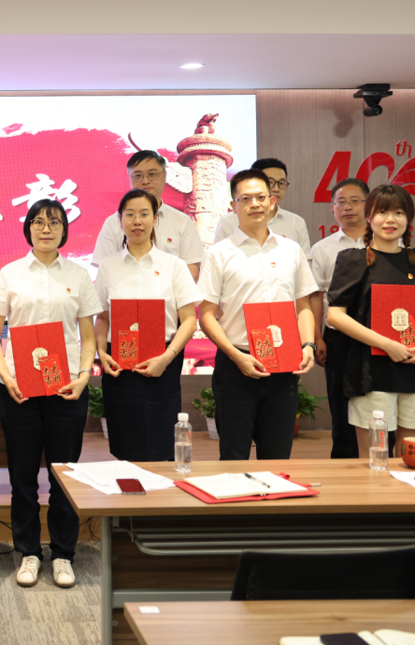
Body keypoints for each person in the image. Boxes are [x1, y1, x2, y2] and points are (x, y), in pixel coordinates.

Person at [0, 198, 100, 590]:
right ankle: (29, 553)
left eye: (53, 222)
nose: (45, 228)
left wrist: (84, 376)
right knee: (22, 477)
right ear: (28, 228)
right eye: (37, 221)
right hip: (19, 390)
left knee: (63, 475)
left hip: (66, 388)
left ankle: (64, 554)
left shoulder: (79, 275)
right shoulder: (10, 274)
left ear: (64, 229)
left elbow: (88, 336)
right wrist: (7, 376)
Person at [326, 184, 415, 458]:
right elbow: (335, 315)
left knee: (413, 456)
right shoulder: (353, 259)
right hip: (372, 370)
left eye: (399, 212)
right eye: (382, 212)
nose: (390, 219)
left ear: (408, 218)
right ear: (369, 217)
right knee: (376, 458)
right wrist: (386, 344)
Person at [198, 169, 317, 461]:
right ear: (233, 206)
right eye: (246, 198)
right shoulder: (219, 253)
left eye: (261, 197)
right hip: (236, 365)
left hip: (284, 366)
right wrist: (236, 356)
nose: (255, 204)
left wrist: (308, 345)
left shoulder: (291, 250)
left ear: (272, 201)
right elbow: (206, 315)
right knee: (233, 456)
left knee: (277, 456)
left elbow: (303, 306)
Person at [94, 189, 201, 462]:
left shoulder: (174, 265)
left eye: (144, 214)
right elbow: (102, 317)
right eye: (130, 214)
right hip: (119, 364)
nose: (137, 221)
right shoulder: (108, 266)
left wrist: (166, 357)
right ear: (120, 220)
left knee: (161, 441)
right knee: (125, 442)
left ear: (155, 220)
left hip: (163, 361)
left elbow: (189, 319)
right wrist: (101, 353)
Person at [308, 177, 370, 459]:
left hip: (378, 336)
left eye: (355, 201)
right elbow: (316, 296)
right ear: (332, 208)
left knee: (380, 400)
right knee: (341, 402)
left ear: (369, 205)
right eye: (341, 202)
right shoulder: (322, 248)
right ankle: (344, 463)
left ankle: (384, 461)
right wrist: (317, 338)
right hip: (338, 337)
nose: (348, 207)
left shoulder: (387, 243)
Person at [92, 150, 204, 280]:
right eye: (138, 176)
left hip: (172, 293)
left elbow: (192, 272)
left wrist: (164, 292)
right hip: (126, 292)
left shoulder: (182, 221)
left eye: (152, 174)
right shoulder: (113, 222)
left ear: (164, 176)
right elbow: (106, 271)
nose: (145, 181)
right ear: (129, 178)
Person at [213, 158, 311, 257]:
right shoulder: (228, 221)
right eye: (270, 182)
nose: (276, 189)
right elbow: (219, 257)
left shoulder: (296, 223)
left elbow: (304, 262)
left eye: (281, 183)